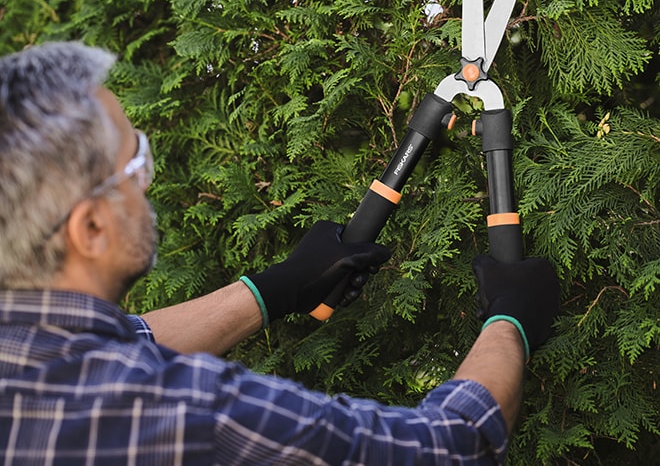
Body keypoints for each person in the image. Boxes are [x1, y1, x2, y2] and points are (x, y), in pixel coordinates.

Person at [0, 41, 560, 465]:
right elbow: (447, 447)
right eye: (134, 164)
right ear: (90, 227)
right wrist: (509, 323)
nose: (146, 184)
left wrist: (273, 288)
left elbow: (119, 341)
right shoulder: (183, 414)